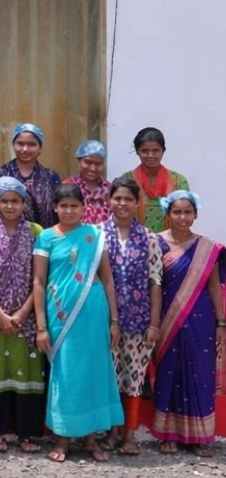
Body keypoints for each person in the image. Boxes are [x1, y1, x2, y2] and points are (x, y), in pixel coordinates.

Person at [33, 183, 123, 463]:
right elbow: (38, 281)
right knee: (67, 374)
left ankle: (90, 439)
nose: (69, 210)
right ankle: (63, 437)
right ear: (55, 208)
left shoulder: (94, 236)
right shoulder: (46, 238)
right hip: (60, 313)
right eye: (64, 206)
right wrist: (40, 326)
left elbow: (107, 279)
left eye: (75, 205)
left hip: (93, 311)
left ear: (84, 208)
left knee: (93, 373)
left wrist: (114, 321)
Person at [0, 177, 46, 453]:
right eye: (4, 201)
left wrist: (25, 311)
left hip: (28, 314)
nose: (10, 205)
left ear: (24, 203)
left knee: (28, 371)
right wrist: (1, 314)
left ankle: (27, 434)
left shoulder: (37, 231)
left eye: (15, 201)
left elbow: (40, 276)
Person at [149, 190, 223, 456]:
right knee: (169, 371)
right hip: (167, 317)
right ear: (168, 214)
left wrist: (221, 323)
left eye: (187, 212)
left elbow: (214, 288)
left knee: (200, 373)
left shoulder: (207, 247)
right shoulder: (156, 243)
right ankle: (168, 435)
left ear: (195, 215)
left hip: (201, 318)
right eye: (177, 212)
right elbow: (153, 285)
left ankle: (199, 437)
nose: (182, 217)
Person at [101, 176, 161, 456]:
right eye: (118, 198)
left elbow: (155, 283)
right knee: (109, 377)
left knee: (134, 378)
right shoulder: (97, 235)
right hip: (105, 322)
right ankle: (111, 433)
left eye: (128, 199)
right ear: (109, 200)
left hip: (139, 323)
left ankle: (130, 435)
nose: (122, 203)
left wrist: (154, 324)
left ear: (137, 203)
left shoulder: (150, 239)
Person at [0, 123, 60, 228]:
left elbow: (58, 211)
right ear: (13, 145)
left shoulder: (51, 177)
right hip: (7, 239)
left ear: (40, 148)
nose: (25, 149)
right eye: (20, 144)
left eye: (31, 144)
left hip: (44, 240)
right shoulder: (1, 174)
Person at [128, 127, 190, 233]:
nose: (150, 155)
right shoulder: (127, 180)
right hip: (135, 244)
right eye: (145, 151)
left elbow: (185, 215)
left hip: (172, 243)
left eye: (155, 150)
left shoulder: (179, 182)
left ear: (163, 151)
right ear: (137, 152)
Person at [65, 140, 111, 224]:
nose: (93, 168)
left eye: (98, 164)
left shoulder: (109, 189)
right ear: (79, 161)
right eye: (88, 162)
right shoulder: (68, 186)